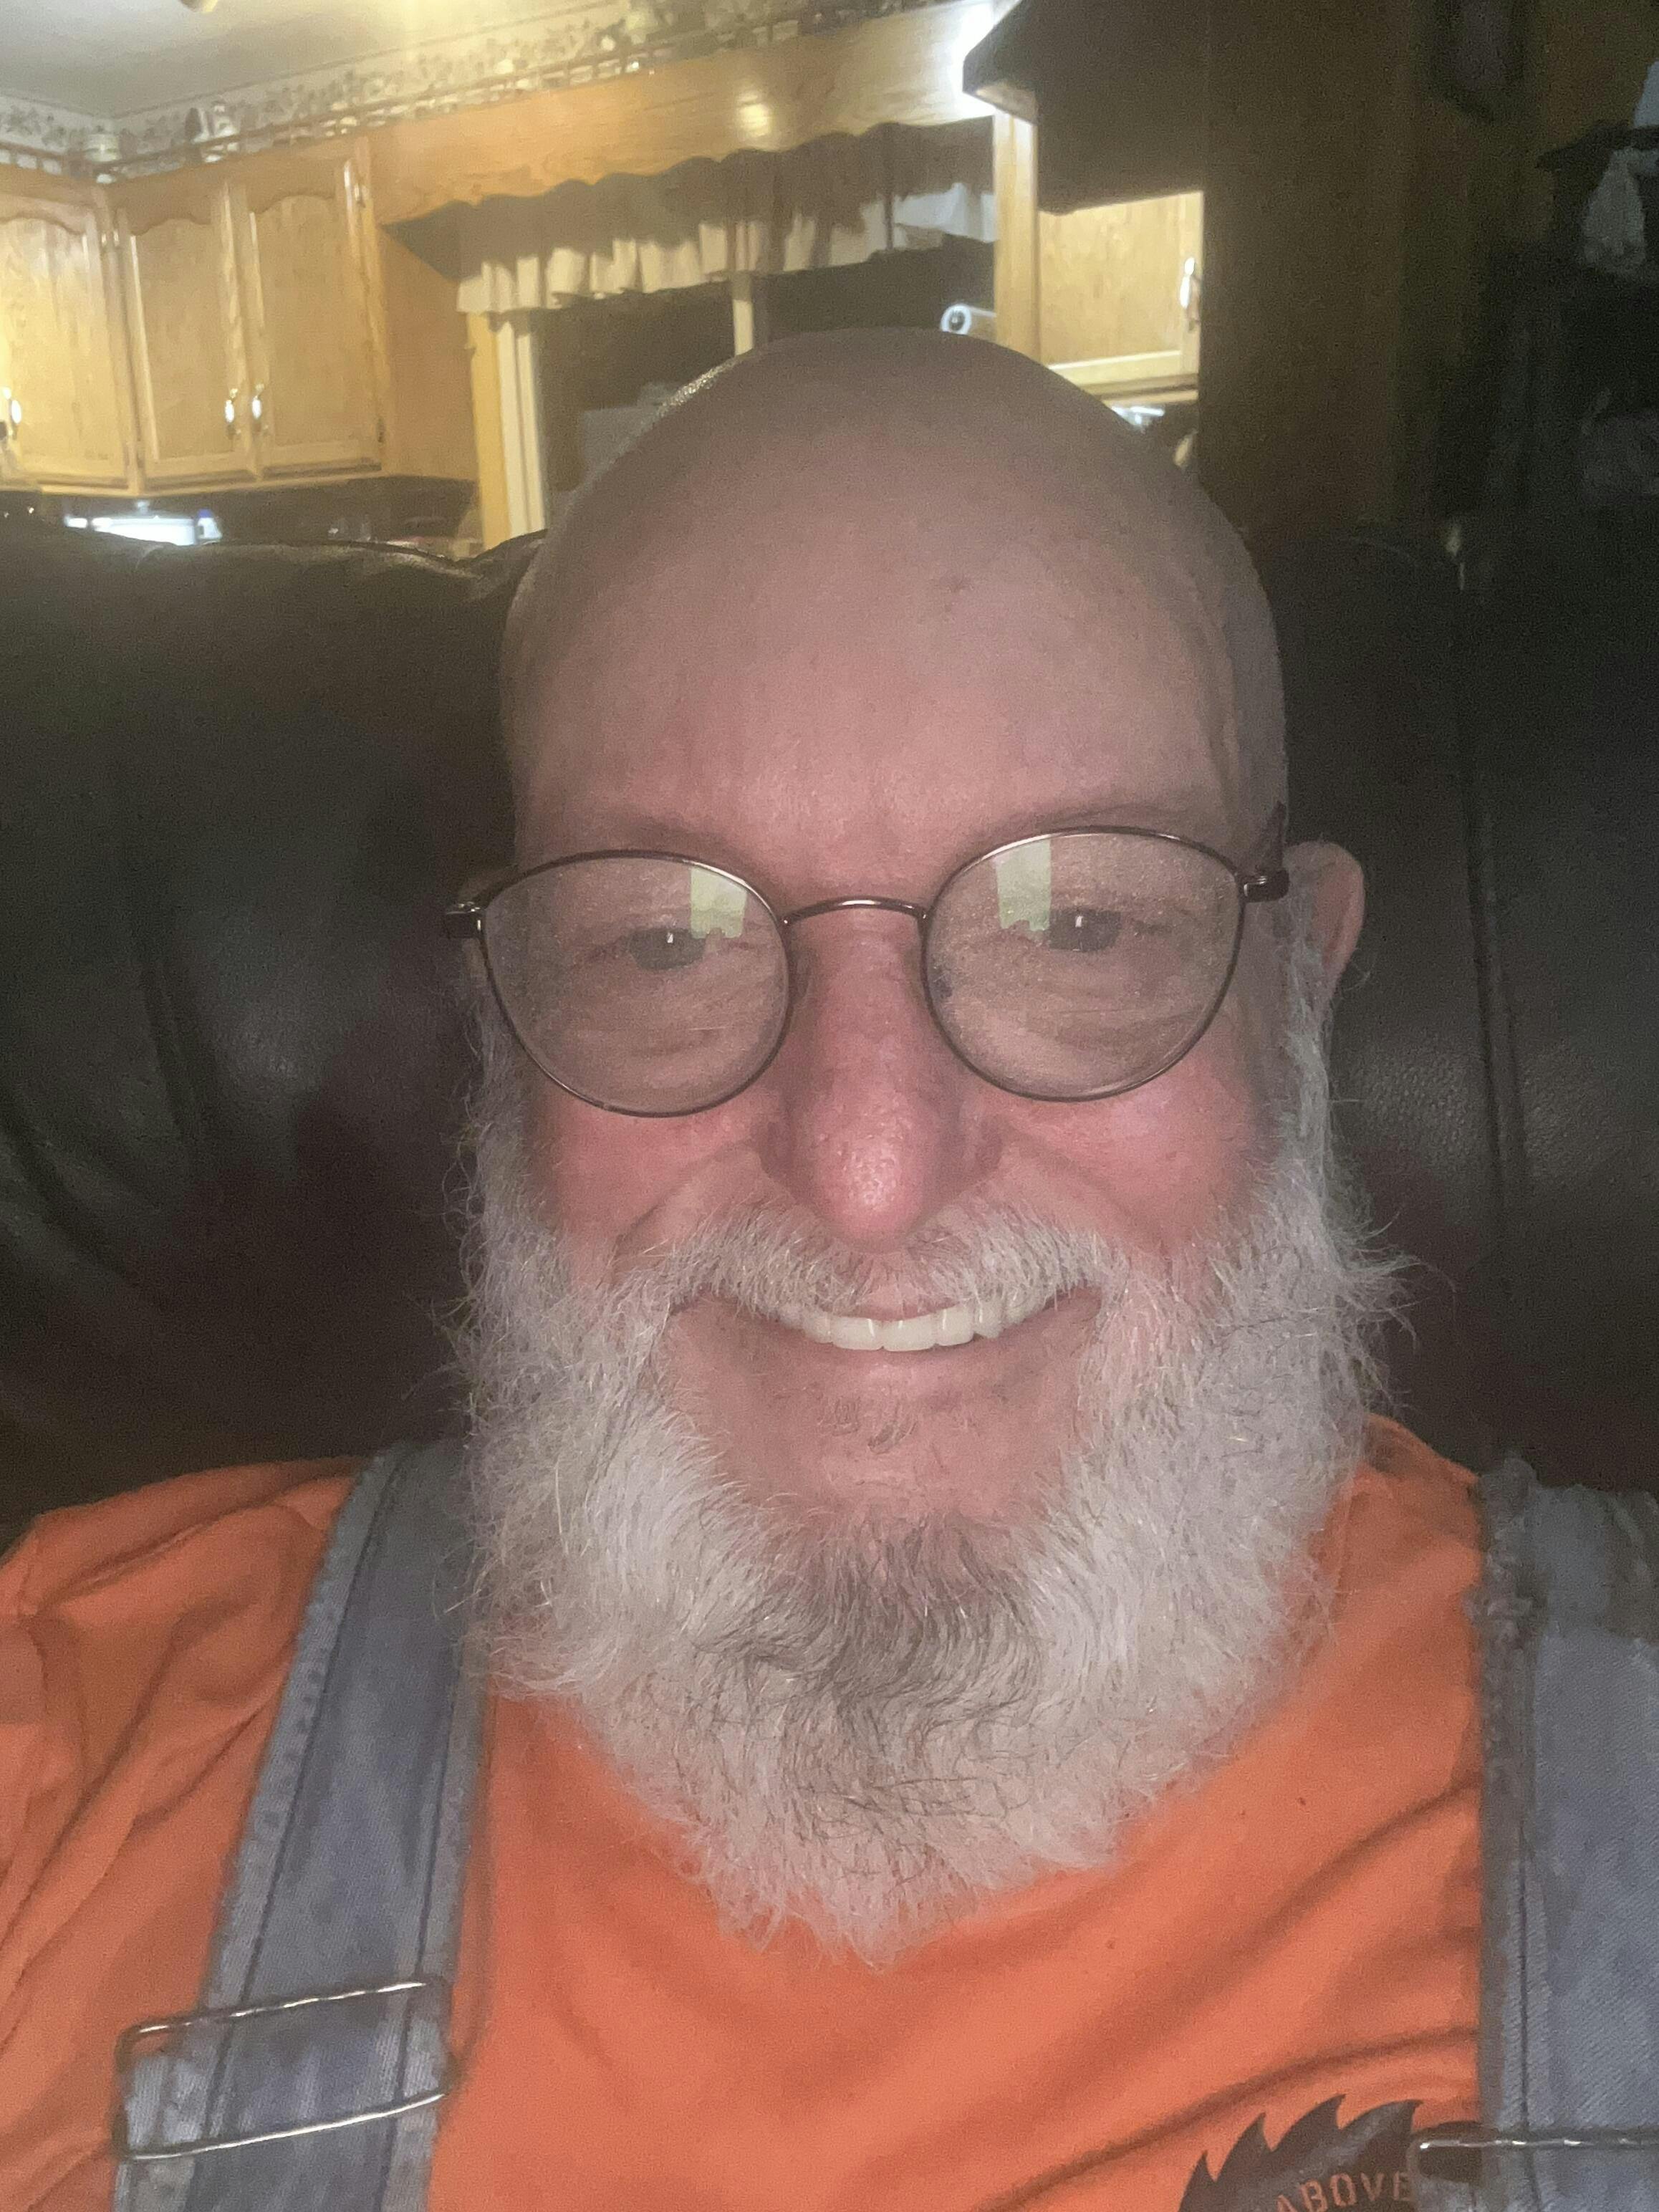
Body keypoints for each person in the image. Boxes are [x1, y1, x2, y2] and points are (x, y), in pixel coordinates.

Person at [0, 330, 1479, 2212]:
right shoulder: (64, 1748)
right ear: (504, 1023)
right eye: (663, 946)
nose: (864, 1175)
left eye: (1080, 925)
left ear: (1298, 987)